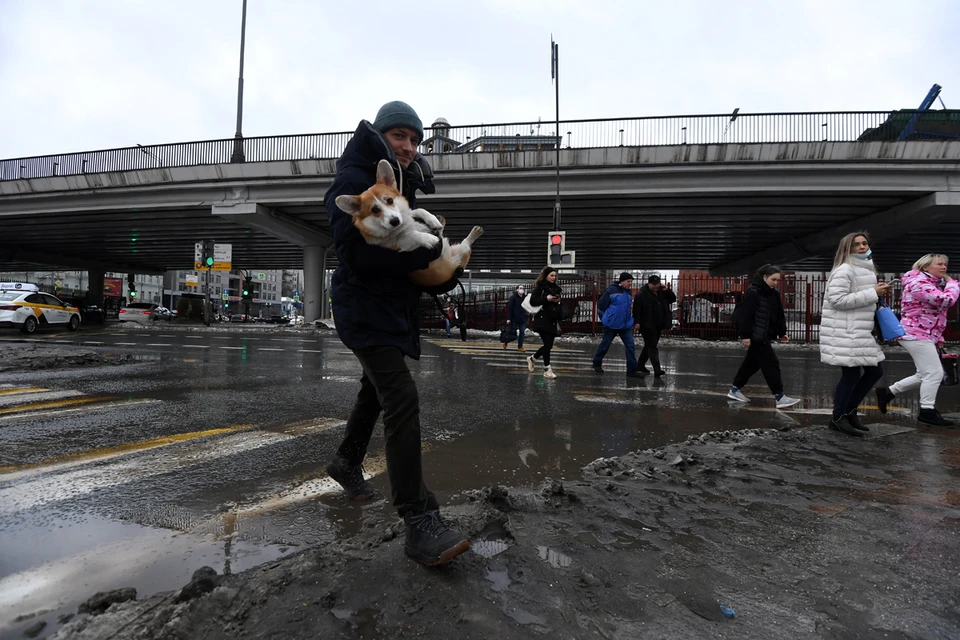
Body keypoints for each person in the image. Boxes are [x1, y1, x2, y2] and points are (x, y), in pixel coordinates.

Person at [324, 100, 470, 566]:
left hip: (390, 310)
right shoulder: (355, 181)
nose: (408, 146)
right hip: (362, 311)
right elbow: (358, 257)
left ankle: (347, 462)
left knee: (376, 389)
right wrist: (419, 259)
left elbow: (412, 258)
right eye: (400, 136)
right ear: (381, 135)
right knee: (400, 396)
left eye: (415, 139)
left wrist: (445, 273)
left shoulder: (406, 183)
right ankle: (418, 518)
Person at [819, 231, 891, 437]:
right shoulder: (844, 270)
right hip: (845, 330)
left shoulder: (866, 269)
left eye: (864, 243)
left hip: (860, 329)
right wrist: (873, 293)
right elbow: (838, 300)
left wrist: (875, 294)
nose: (862, 247)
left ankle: (849, 412)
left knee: (874, 371)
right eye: (856, 244)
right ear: (847, 249)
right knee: (851, 374)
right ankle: (839, 417)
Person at [876, 254, 959, 426]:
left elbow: (934, 313)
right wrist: (953, 285)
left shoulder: (931, 283)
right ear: (925, 267)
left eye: (945, 264)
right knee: (934, 373)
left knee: (924, 374)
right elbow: (945, 301)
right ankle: (927, 411)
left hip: (925, 333)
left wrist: (938, 337)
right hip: (915, 333)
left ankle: (888, 392)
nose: (944, 267)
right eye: (939, 264)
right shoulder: (918, 283)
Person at [726, 265, 801, 408]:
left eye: (778, 280)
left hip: (765, 335)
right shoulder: (754, 292)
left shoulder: (774, 293)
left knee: (751, 364)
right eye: (773, 279)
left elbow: (779, 315)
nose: (775, 283)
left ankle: (735, 389)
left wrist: (782, 332)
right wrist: (745, 335)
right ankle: (779, 397)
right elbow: (746, 316)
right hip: (756, 336)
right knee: (772, 364)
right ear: (764, 277)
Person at [592, 272, 644, 378]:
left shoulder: (628, 292)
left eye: (631, 281)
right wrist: (605, 319)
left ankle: (632, 370)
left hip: (625, 325)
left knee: (630, 346)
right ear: (622, 281)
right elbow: (601, 306)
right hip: (612, 324)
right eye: (628, 281)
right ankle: (597, 363)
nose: (630, 284)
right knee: (605, 345)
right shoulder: (611, 290)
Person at [632, 274, 676, 377]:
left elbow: (672, 299)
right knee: (652, 347)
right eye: (654, 284)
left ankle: (640, 365)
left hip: (659, 324)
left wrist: (667, 290)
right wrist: (637, 322)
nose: (656, 286)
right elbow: (636, 310)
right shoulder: (641, 294)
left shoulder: (662, 293)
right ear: (649, 284)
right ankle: (657, 370)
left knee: (649, 346)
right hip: (647, 325)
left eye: (658, 284)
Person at [527, 267, 563, 379]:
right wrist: (546, 299)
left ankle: (532, 358)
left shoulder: (556, 288)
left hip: (552, 319)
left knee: (549, 345)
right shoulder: (540, 287)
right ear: (546, 275)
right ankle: (547, 370)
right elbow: (533, 301)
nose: (554, 278)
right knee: (547, 344)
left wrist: (557, 300)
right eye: (551, 275)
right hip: (542, 319)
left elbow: (556, 304)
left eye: (555, 276)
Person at [503, 284, 528, 352]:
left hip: (522, 318)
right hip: (514, 318)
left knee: (522, 332)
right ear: (517, 289)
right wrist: (509, 318)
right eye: (520, 288)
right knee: (512, 333)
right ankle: (506, 341)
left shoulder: (525, 298)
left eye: (523, 288)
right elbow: (510, 308)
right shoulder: (513, 297)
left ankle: (520, 347)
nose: (522, 289)